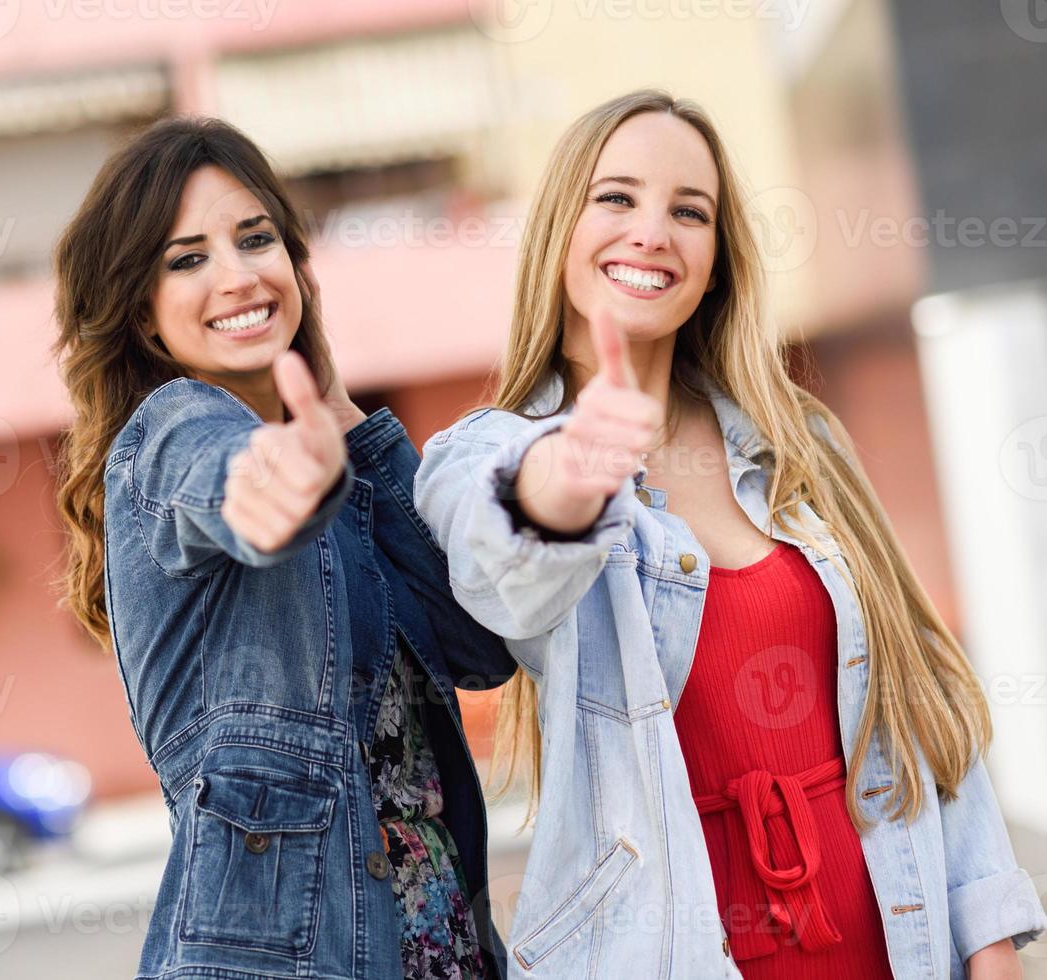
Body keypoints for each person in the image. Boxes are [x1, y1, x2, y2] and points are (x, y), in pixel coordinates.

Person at [414, 89, 1047, 978]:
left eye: (689, 211)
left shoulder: (801, 443)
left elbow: (917, 702)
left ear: (715, 263)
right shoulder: (491, 453)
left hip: (890, 941)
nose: (651, 231)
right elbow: (500, 561)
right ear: (559, 228)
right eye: (616, 198)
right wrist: (573, 474)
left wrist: (987, 942)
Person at [51, 116, 516, 979]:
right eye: (184, 259)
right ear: (144, 314)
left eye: (255, 239)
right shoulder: (172, 432)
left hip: (437, 944)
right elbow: (234, 489)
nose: (235, 276)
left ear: (296, 264)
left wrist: (344, 425)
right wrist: (275, 483)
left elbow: (478, 648)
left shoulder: (334, 471)